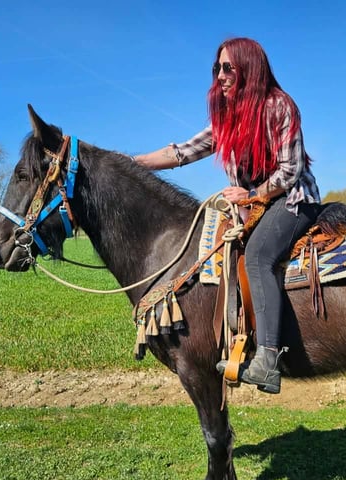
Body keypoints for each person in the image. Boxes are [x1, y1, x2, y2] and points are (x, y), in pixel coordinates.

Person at [134, 37, 321, 394]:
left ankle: (268, 360)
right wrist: (133, 163)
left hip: (293, 200)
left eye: (227, 68)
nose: (219, 75)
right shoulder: (227, 119)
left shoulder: (279, 106)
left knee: (259, 256)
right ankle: (233, 339)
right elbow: (182, 152)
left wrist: (250, 195)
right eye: (216, 68)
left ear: (250, 68)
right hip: (255, 205)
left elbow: (291, 170)